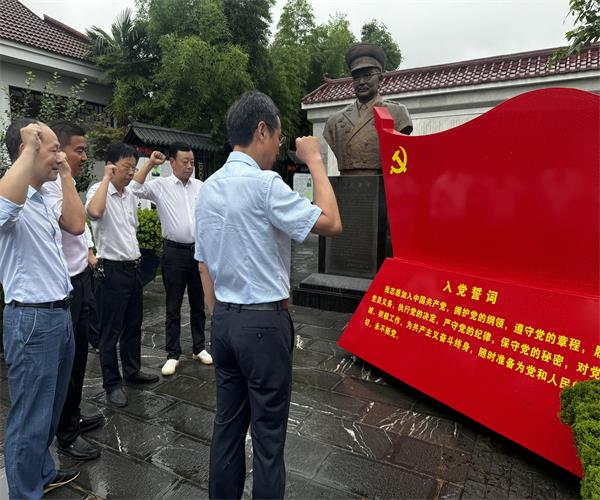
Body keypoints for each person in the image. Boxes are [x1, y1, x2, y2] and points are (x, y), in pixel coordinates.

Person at [195, 90, 342, 499]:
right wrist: (315, 160)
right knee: (268, 438)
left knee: (227, 427)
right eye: (278, 136)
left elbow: (202, 262)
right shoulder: (264, 185)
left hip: (224, 320)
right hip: (263, 324)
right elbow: (332, 222)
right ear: (261, 130)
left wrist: (220, 317)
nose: (279, 148)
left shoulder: (208, 188)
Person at [0, 119, 80, 498]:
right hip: (32, 320)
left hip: (58, 315)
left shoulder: (43, 195)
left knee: (50, 410)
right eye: (53, 149)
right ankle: (24, 492)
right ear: (26, 150)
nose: (60, 155)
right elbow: (5, 206)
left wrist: (64, 174)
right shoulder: (9, 195)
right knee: (30, 417)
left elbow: (77, 224)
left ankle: (41, 472)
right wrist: (31, 147)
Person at [45, 120, 103, 462]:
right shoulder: (51, 187)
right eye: (78, 150)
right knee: (66, 365)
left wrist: (89, 253)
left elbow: (82, 232)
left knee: (79, 358)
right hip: (64, 287)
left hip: (82, 279)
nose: (84, 156)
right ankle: (65, 434)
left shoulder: (65, 184)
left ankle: (73, 416)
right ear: (60, 152)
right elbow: (76, 223)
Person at [86, 143, 159, 408]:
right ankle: (112, 384)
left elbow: (130, 229)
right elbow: (94, 212)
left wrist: (148, 165)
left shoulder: (129, 195)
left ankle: (132, 370)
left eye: (133, 167)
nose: (131, 172)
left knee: (133, 325)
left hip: (133, 268)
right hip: (112, 271)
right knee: (110, 331)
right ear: (111, 166)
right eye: (127, 167)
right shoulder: (98, 190)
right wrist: (106, 179)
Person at [129, 143, 212, 377]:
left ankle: (199, 347)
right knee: (173, 305)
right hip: (174, 252)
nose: (189, 166)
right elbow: (134, 187)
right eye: (184, 162)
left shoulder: (201, 187)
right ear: (172, 162)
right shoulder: (160, 186)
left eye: (192, 162)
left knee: (198, 303)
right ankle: (173, 353)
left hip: (198, 252)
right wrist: (150, 163)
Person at [323, 43, 413, 175]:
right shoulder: (334, 121)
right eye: (356, 77)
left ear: (380, 78)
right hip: (346, 183)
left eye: (368, 75)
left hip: (381, 183)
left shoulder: (397, 113)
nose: (361, 82)